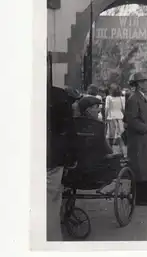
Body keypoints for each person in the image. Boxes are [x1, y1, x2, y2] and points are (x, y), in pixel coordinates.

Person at [47, 87, 78, 241]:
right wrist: (72, 157)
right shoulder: (58, 95)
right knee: (50, 202)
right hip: (52, 159)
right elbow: (69, 130)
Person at [125, 72, 147, 206]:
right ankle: (140, 198)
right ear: (138, 84)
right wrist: (145, 128)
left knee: (146, 168)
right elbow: (131, 119)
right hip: (140, 140)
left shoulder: (142, 97)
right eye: (144, 81)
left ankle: (145, 196)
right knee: (141, 169)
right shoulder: (134, 99)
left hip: (145, 139)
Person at [105, 83, 126, 155]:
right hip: (120, 118)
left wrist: (105, 118)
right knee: (119, 137)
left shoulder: (108, 98)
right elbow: (123, 109)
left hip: (111, 118)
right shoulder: (122, 98)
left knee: (110, 137)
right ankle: (122, 153)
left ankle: (111, 153)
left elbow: (107, 109)